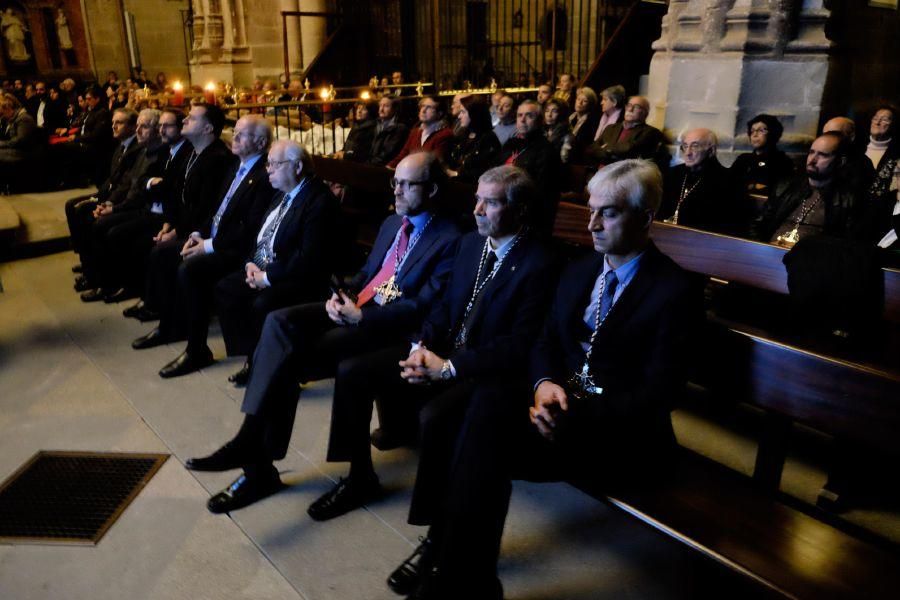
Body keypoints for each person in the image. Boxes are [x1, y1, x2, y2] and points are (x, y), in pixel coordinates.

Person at [389, 159, 703, 599]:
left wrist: (578, 412)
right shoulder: (582, 269)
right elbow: (545, 343)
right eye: (591, 209)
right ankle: (462, 572)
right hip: (559, 407)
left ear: (646, 217)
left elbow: (659, 393)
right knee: (480, 409)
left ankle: (456, 570)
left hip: (619, 434)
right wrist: (543, 385)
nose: (591, 224)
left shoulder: (674, 290)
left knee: (479, 432)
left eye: (608, 213)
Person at [185, 152, 461, 514]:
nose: (397, 190)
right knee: (279, 322)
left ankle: (256, 455)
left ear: (433, 188)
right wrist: (341, 295)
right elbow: (367, 275)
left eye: (409, 184)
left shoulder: (449, 237)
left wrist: (361, 316)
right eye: (396, 181)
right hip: (356, 308)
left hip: (388, 326)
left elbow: (423, 304)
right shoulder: (393, 223)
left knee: (294, 357)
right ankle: (252, 443)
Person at [310, 166, 557, 524]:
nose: (477, 210)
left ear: (519, 210)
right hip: (442, 349)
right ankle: (359, 477)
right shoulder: (471, 243)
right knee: (353, 372)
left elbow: (520, 343)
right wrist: (419, 346)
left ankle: (435, 528)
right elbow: (443, 306)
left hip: (483, 368)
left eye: (490, 203)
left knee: (434, 416)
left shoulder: (539, 261)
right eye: (477, 199)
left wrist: (449, 368)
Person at [131, 115, 275, 379]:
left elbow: (249, 229)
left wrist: (208, 246)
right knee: (163, 253)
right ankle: (170, 325)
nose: (235, 137)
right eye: (237, 131)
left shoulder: (263, 176)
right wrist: (197, 234)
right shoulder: (235, 167)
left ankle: (197, 348)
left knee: (191, 269)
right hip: (218, 239)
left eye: (243, 134)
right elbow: (216, 211)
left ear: (261, 142)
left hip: (238, 250)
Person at [205, 141, 341, 379]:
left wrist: (266, 278)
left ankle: (270, 365)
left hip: (301, 277)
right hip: (268, 265)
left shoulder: (318, 200)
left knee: (262, 302)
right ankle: (254, 356)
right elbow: (261, 235)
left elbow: (308, 257)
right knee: (226, 289)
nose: (268, 169)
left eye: (275, 164)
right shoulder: (281, 194)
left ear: (297, 166)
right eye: (268, 164)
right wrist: (250, 262)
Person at [753, 132, 865, 247]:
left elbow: (846, 246)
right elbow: (759, 226)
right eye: (811, 152)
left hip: (811, 262)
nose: (812, 160)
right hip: (767, 255)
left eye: (823, 155)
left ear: (841, 161)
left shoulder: (850, 200)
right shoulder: (785, 187)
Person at [658, 128, 750, 236]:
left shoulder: (729, 181)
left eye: (695, 146)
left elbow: (731, 225)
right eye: (685, 146)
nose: (688, 153)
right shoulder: (674, 174)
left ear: (711, 150)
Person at [498, 99, 561, 235]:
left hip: (526, 211)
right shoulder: (511, 144)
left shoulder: (546, 150)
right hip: (501, 201)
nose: (522, 120)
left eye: (529, 116)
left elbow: (541, 190)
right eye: (519, 115)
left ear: (539, 120)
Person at [584, 96, 664, 167]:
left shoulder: (651, 132)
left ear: (645, 113)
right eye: (628, 105)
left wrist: (604, 148)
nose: (630, 109)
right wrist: (609, 152)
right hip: (600, 173)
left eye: (636, 107)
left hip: (624, 177)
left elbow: (629, 149)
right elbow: (591, 150)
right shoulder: (610, 128)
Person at [730, 114, 794, 198]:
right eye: (752, 131)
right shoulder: (743, 159)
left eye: (761, 130)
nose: (755, 135)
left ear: (772, 133)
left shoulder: (782, 161)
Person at [387, 96, 453, 169]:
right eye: (423, 106)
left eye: (429, 107)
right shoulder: (415, 132)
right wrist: (388, 167)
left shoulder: (445, 134)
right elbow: (403, 154)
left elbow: (435, 164)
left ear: (439, 113)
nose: (423, 110)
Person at [446, 96, 501, 183]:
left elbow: (488, 172)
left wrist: (457, 174)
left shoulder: (489, 138)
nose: (459, 116)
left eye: (463, 112)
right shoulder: (463, 136)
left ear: (474, 114)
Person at [864, 105, 899, 203]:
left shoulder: (896, 154)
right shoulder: (858, 148)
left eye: (884, 120)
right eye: (875, 118)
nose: (877, 122)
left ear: (893, 124)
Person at [368, 96, 409, 167]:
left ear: (394, 109)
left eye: (386, 106)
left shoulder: (400, 129)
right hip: (371, 165)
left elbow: (388, 153)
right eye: (380, 105)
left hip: (384, 168)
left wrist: (369, 164)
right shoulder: (374, 125)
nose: (381, 109)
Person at [567, 87, 601, 163]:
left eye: (585, 101)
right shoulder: (570, 117)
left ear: (590, 105)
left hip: (580, 160)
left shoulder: (592, 122)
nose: (580, 103)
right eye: (578, 99)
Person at [542, 97, 573, 163]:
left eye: (554, 111)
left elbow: (564, 160)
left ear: (562, 114)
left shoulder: (567, 136)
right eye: (547, 111)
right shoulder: (543, 130)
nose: (549, 115)